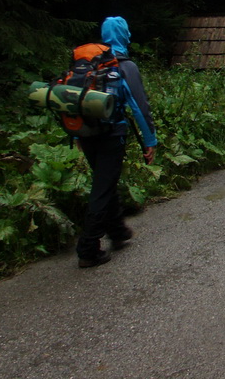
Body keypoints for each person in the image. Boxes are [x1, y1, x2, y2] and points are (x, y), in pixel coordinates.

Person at [76, 16, 157, 268]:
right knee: (102, 187)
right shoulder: (125, 66)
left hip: (87, 134)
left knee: (104, 180)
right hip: (112, 135)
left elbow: (76, 100)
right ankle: (88, 247)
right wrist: (150, 139)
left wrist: (77, 135)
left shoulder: (89, 62)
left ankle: (118, 230)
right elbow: (139, 106)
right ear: (125, 35)